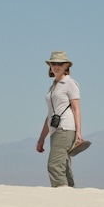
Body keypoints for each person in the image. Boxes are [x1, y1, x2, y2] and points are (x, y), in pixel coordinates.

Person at [36, 51, 83, 187]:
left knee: (55, 165)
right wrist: (41, 138)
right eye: (53, 63)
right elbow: (50, 114)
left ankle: (61, 196)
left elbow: (76, 109)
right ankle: (70, 197)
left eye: (60, 63)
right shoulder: (53, 86)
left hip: (66, 127)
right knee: (64, 165)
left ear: (66, 65)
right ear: (50, 65)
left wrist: (79, 132)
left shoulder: (70, 83)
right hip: (55, 129)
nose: (56, 66)